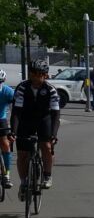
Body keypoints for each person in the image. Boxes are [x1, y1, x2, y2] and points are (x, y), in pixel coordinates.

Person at [12, 60, 59, 194]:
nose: (36, 77)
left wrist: (54, 135)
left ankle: (47, 175)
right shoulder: (22, 88)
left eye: (39, 74)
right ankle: (24, 182)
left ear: (45, 75)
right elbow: (16, 112)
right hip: (25, 120)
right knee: (22, 154)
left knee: (47, 146)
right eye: (33, 73)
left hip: (44, 119)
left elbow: (56, 114)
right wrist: (13, 132)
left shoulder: (50, 90)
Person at [0, 70, 14, 189]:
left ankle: (7, 174)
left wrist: (14, 126)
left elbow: (15, 109)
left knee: (5, 143)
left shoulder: (7, 91)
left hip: (1, 119)